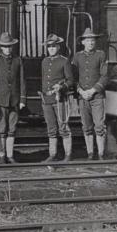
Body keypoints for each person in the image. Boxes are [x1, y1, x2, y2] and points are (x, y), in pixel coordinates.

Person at [71, 28, 109, 160]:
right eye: (88, 40)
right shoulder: (77, 56)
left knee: (99, 126)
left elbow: (104, 76)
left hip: (97, 96)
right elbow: (73, 77)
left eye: (93, 40)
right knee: (86, 126)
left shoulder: (101, 55)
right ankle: (90, 153)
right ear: (83, 42)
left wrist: (93, 90)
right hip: (83, 97)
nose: (91, 42)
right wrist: (81, 91)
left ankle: (101, 154)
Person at [0, 31, 26, 164]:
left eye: (9, 46)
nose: (7, 48)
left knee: (12, 128)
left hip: (14, 100)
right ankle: (1, 155)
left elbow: (22, 80)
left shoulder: (18, 60)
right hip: (1, 100)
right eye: (5, 46)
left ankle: (10, 156)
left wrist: (22, 99)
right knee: (1, 128)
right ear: (1, 47)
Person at [40, 34, 76, 162]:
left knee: (63, 127)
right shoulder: (44, 61)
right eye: (49, 46)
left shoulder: (64, 60)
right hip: (47, 100)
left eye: (53, 46)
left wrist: (61, 87)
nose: (51, 49)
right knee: (51, 128)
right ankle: (52, 154)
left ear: (58, 47)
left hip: (60, 99)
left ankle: (68, 155)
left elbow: (70, 80)